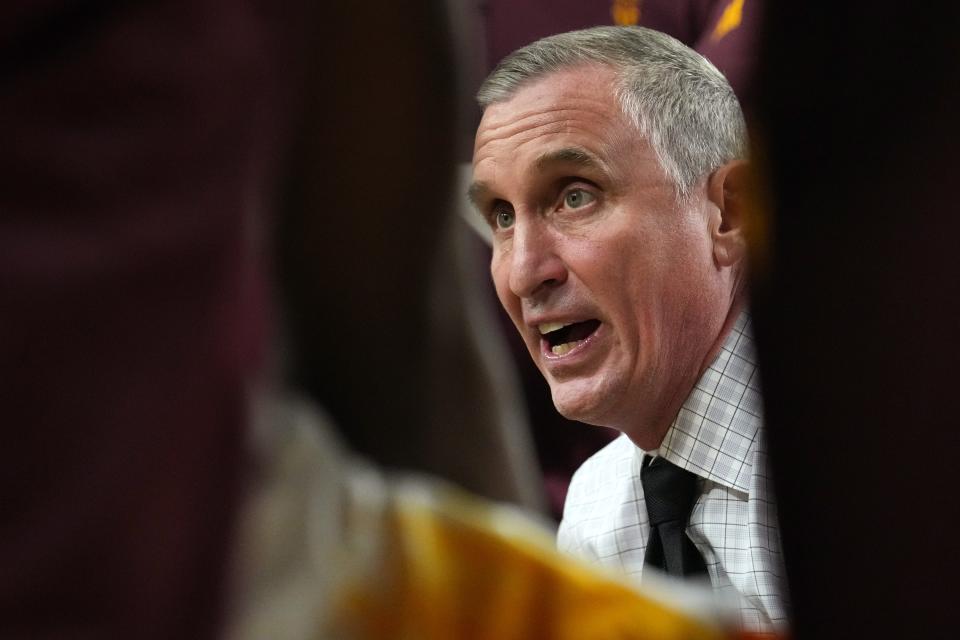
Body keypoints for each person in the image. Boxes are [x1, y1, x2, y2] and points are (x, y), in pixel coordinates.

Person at [469, 25, 788, 632]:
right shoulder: (593, 507)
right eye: (502, 217)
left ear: (729, 213)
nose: (523, 272)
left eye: (575, 197)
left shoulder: (879, 454)